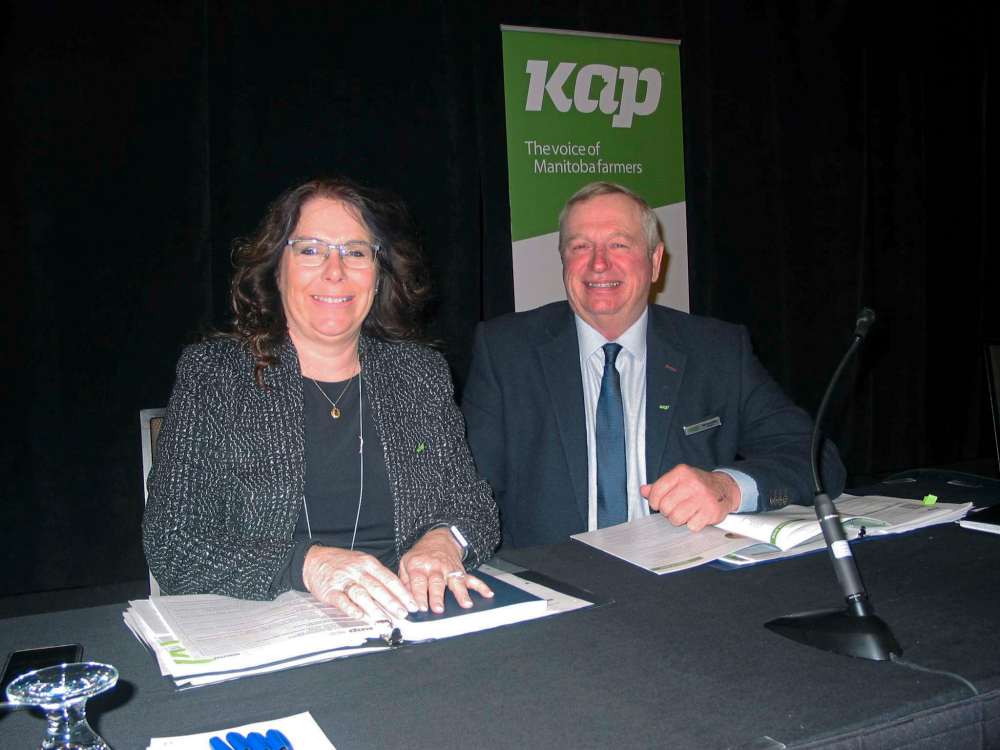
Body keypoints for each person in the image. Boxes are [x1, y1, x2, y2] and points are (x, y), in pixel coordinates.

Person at [143, 177, 500, 619]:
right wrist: (307, 565)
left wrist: (445, 540)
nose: (335, 271)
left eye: (355, 252)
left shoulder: (418, 374)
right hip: (268, 620)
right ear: (277, 267)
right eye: (311, 250)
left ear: (379, 273)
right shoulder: (215, 375)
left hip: (407, 617)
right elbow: (172, 540)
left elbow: (474, 506)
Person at [462, 181, 845, 549]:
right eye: (580, 246)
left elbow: (818, 459)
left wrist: (726, 489)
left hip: (685, 583)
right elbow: (465, 491)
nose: (599, 263)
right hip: (559, 587)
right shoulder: (506, 351)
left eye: (619, 244)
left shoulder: (718, 351)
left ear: (655, 260)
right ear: (563, 260)